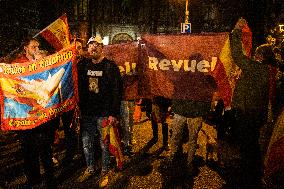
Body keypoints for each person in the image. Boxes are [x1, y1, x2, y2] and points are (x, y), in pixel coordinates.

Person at [230, 18, 276, 188]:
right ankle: (254, 173)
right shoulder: (271, 70)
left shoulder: (256, 68)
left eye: (257, 53)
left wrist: (236, 31)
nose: (254, 55)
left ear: (261, 56)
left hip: (247, 113)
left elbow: (236, 54)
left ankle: (248, 177)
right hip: (258, 114)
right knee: (253, 144)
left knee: (247, 145)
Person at [12, 38, 59, 189]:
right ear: (26, 48)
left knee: (45, 148)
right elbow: (13, 83)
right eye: (33, 47)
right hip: (26, 114)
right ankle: (33, 179)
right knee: (28, 150)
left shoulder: (43, 62)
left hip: (43, 114)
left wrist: (42, 64)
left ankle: (50, 180)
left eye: (38, 47)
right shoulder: (17, 63)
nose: (36, 49)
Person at [76, 35, 122, 187]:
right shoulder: (82, 65)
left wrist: (113, 113)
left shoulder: (110, 67)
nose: (93, 47)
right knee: (87, 143)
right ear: (87, 49)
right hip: (87, 113)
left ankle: (105, 170)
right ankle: (89, 168)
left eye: (97, 45)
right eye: (91, 45)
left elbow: (117, 91)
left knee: (104, 145)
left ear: (102, 48)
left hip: (104, 113)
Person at [163, 53, 218, 176]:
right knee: (189, 138)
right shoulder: (200, 78)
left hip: (184, 112)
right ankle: (187, 162)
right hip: (190, 112)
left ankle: (176, 158)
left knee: (178, 137)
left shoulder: (189, 77)